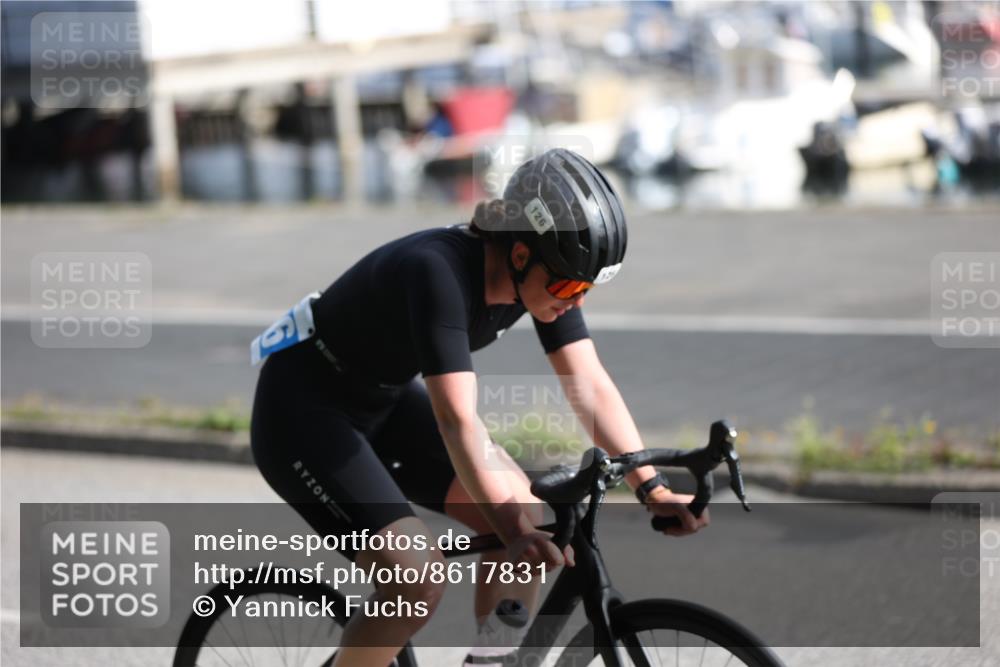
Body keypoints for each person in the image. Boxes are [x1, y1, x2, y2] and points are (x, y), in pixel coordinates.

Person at [249, 148, 709, 667]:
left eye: (587, 288)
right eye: (568, 285)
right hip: (304, 412)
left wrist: (651, 487)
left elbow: (589, 383)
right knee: (416, 578)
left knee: (527, 513)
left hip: (382, 400)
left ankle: (490, 662)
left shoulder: (544, 276)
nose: (575, 300)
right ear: (520, 254)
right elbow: (457, 420)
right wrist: (513, 535)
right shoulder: (437, 271)